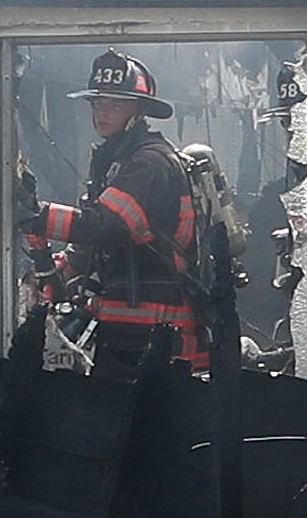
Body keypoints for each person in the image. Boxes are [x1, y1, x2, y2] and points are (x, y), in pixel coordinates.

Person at [25, 51, 207, 376]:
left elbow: (109, 226)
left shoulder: (150, 162)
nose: (103, 113)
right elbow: (93, 244)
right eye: (98, 104)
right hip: (125, 330)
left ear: (140, 111)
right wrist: (60, 271)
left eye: (115, 105)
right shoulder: (115, 161)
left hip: (161, 334)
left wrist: (36, 215)